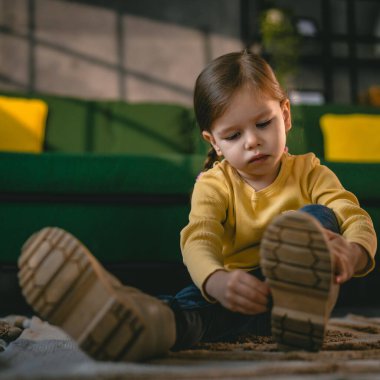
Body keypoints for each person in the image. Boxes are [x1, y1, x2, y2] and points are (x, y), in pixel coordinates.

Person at [18, 51, 376, 362]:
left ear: (285, 115)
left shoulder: (311, 172)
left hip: (296, 301)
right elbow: (198, 238)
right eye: (233, 136)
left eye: (263, 124)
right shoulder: (214, 183)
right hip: (239, 299)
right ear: (214, 142)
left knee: (318, 217)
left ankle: (306, 297)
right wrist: (217, 281)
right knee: (192, 309)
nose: (252, 142)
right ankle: (142, 322)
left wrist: (353, 252)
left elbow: (353, 216)